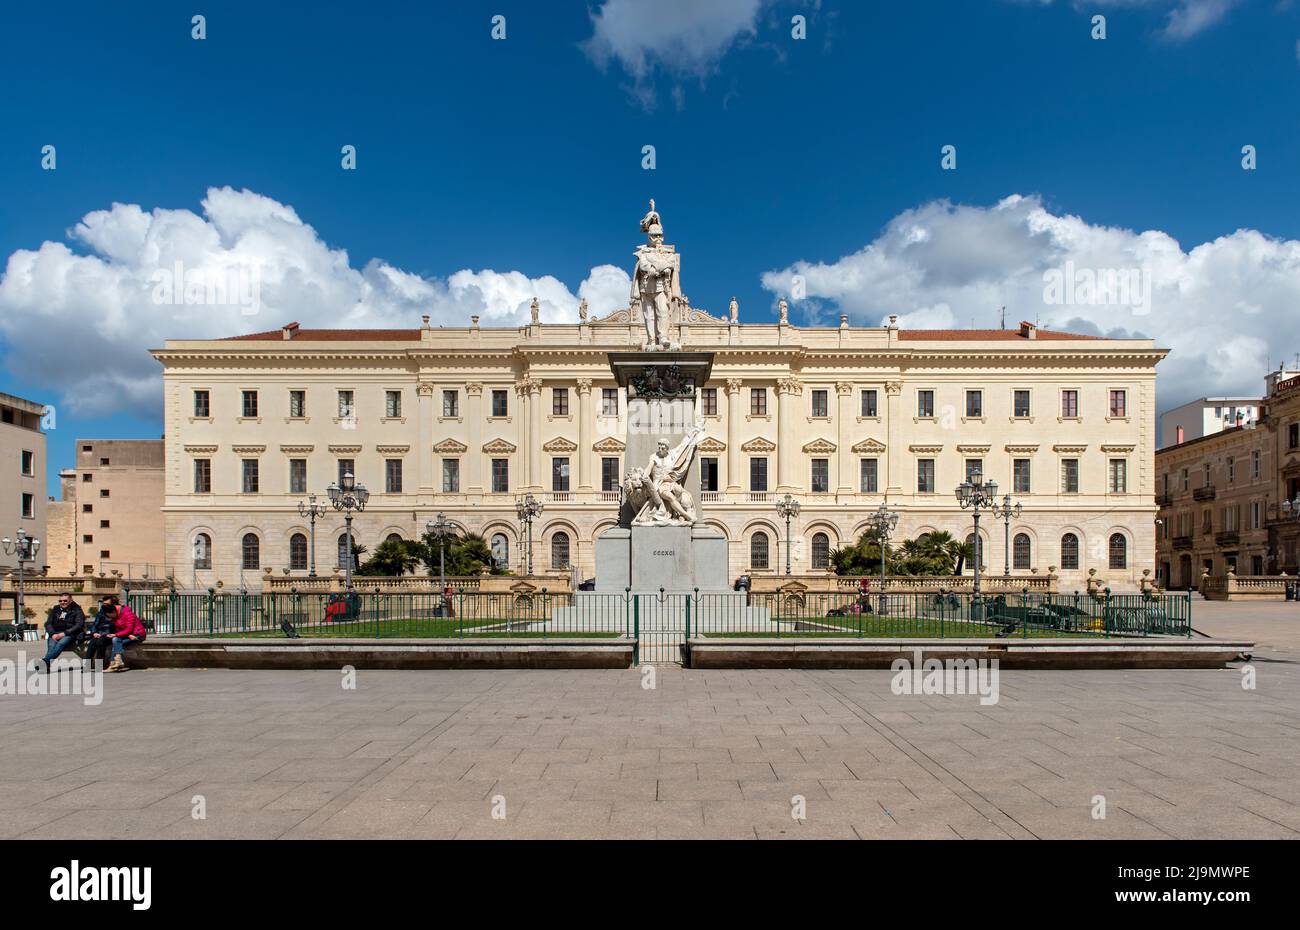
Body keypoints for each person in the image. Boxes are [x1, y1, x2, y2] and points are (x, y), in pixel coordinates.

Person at [37, 592, 86, 671]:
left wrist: (64, 633)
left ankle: (45, 662)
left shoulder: (77, 610)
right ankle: (46, 664)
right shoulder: (56, 609)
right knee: (51, 646)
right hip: (55, 633)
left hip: (70, 634)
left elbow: (79, 625)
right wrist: (52, 633)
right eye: (60, 601)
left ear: (71, 600)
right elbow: (48, 623)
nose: (62, 602)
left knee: (61, 643)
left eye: (65, 601)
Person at [105, 598, 147, 672]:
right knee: (112, 641)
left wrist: (115, 634)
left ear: (114, 611)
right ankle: (117, 662)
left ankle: (112, 665)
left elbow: (128, 629)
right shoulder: (114, 616)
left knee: (115, 642)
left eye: (110, 616)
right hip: (127, 635)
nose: (110, 618)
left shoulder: (127, 614)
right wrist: (95, 632)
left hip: (137, 634)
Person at [83, 595, 120, 669]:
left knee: (100, 642)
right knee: (92, 642)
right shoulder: (101, 612)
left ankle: (99, 666)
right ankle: (87, 666)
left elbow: (114, 627)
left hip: (109, 635)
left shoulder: (115, 612)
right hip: (99, 634)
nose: (104, 605)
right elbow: (95, 624)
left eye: (106, 604)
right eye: (104, 604)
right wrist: (94, 633)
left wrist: (104, 634)